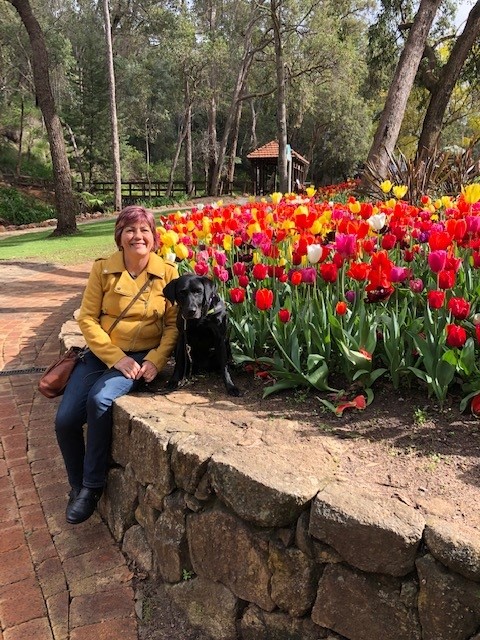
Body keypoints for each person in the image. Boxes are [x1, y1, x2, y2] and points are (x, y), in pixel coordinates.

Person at [55, 205, 179, 525]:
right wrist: (115, 356)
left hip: (141, 358)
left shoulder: (167, 273)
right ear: (119, 236)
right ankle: (76, 484)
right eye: (130, 230)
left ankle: (92, 487)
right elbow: (87, 318)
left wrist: (155, 360)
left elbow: (173, 327)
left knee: (100, 399)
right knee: (66, 420)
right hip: (103, 354)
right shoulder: (102, 270)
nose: (138, 236)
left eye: (144, 230)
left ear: (154, 239)